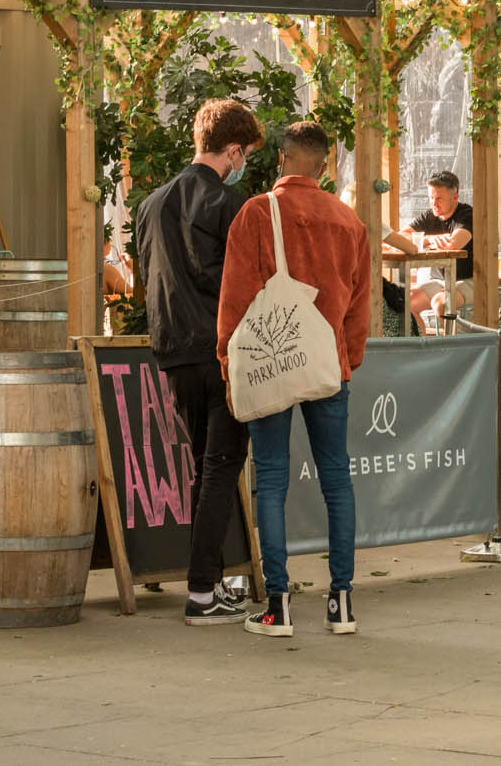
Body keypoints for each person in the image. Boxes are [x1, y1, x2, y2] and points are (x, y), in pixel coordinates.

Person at [218, 121, 370, 639]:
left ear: (281, 160)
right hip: (330, 366)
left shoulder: (258, 213)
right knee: (336, 477)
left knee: (273, 478)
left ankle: (278, 606)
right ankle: (342, 602)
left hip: (272, 361)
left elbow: (236, 301)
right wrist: (345, 360)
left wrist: (227, 361)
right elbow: (359, 307)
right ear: (323, 167)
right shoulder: (349, 221)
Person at [140, 98, 261, 625]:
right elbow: (245, 281)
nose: (243, 163)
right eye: (245, 154)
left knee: (201, 469)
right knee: (220, 468)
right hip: (221, 349)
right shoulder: (231, 202)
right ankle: (201, 592)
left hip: (171, 352)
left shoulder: (150, 204)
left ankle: (208, 581)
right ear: (232, 149)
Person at [391, 171, 472, 330]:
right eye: (431, 198)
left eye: (439, 198)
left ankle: (455, 351)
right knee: (403, 302)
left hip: (469, 280)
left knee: (440, 302)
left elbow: (453, 244)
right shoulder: (430, 215)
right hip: (440, 282)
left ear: (455, 197)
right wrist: (428, 239)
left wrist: (421, 240)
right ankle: (423, 350)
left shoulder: (466, 214)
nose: (434, 203)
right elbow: (398, 238)